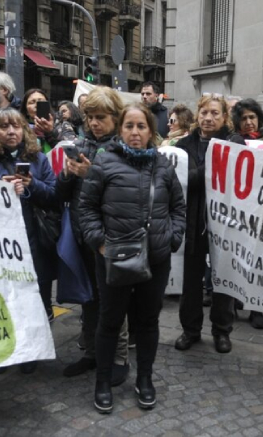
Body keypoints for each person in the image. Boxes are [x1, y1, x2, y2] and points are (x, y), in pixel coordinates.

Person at [79, 102, 185, 413]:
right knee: (110, 321)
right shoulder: (104, 163)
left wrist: (172, 238)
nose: (135, 132)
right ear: (120, 129)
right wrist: (100, 243)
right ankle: (102, 381)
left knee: (148, 322)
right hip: (114, 258)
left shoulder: (163, 166)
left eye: (141, 127)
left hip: (155, 259)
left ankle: (145, 379)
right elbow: (87, 209)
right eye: (129, 126)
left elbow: (178, 208)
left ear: (151, 131)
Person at [0, 108, 57, 375]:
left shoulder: (39, 159)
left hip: (33, 241)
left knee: (33, 298)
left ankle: (30, 349)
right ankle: (1, 350)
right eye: (4, 127)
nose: (11, 132)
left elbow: (54, 195)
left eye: (16, 126)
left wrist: (31, 186)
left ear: (24, 131)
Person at [58, 86, 130, 384]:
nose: (95, 123)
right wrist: (66, 174)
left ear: (115, 117)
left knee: (113, 300)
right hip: (81, 233)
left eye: (101, 117)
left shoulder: (126, 149)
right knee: (88, 297)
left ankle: (119, 356)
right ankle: (90, 351)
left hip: (110, 238)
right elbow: (60, 194)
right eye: (90, 117)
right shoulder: (81, 145)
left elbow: (125, 195)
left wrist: (91, 177)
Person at [174, 94, 245, 354]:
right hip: (192, 223)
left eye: (215, 113)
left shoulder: (234, 142)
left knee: (223, 280)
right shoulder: (183, 144)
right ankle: (190, 330)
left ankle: (221, 331)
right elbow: (183, 181)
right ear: (197, 115)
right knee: (190, 282)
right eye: (204, 112)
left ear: (224, 117)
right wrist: (210, 171)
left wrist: (200, 173)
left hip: (224, 224)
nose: (208, 118)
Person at [230, 98, 263, 329]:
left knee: (259, 260)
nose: (248, 122)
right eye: (243, 118)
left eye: (252, 117)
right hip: (239, 209)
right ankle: (236, 298)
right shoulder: (232, 143)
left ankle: (257, 308)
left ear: (259, 119)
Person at [20, 88, 75, 153]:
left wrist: (50, 132)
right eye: (32, 102)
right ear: (26, 110)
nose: (37, 105)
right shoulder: (20, 128)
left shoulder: (63, 125)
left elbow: (71, 151)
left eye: (41, 101)